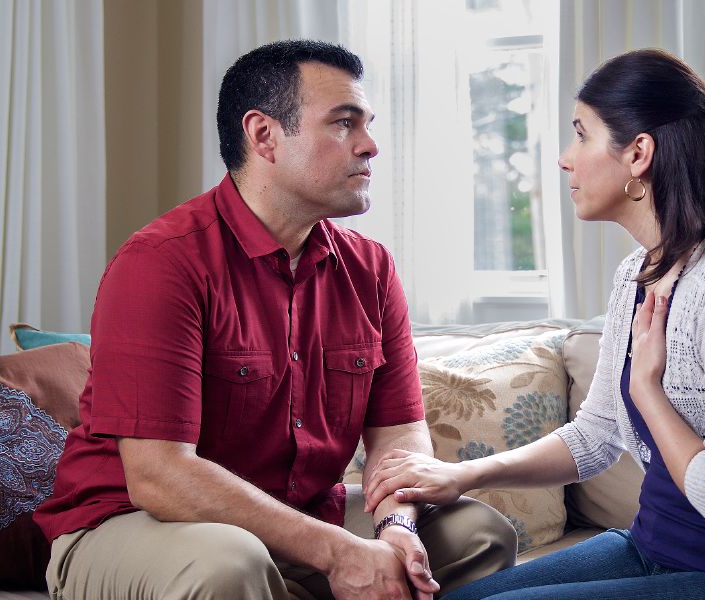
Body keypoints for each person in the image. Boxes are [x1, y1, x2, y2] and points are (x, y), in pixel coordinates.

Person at [33, 40, 515, 600]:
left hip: (299, 518)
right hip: (129, 524)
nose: (370, 145)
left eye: (367, 124)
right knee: (229, 564)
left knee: (477, 533)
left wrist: (395, 528)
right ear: (264, 136)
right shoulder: (161, 263)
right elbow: (159, 476)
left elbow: (400, 436)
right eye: (343, 123)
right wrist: (337, 553)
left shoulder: (371, 268)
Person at [365, 48, 705, 600]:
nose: (566, 159)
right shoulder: (638, 274)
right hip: (656, 548)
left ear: (639, 153)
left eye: (582, 134)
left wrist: (648, 390)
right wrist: (465, 476)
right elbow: (597, 434)